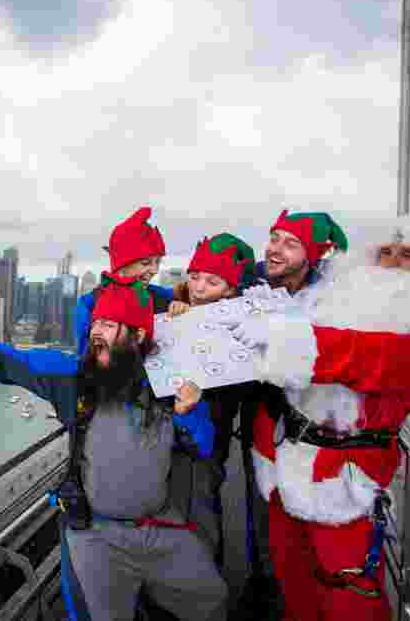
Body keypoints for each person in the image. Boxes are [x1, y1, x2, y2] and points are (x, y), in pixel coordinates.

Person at [231, 207, 410, 621]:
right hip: (282, 459)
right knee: (292, 579)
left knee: (347, 592)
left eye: (409, 254)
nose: (390, 262)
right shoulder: (336, 300)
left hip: (344, 478)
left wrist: (284, 336)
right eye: (385, 250)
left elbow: (374, 359)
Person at [0, 280, 229, 621]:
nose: (97, 331)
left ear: (139, 336)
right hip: (97, 536)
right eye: (96, 322)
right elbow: (12, 362)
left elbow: (203, 446)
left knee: (211, 600)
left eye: (109, 324)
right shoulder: (76, 379)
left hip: (161, 528)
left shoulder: (170, 386)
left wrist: (191, 412)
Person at [233, 209, 348, 616]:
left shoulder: (334, 298)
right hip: (262, 416)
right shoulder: (251, 279)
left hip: (316, 426)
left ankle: (314, 593)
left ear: (312, 255)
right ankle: (266, 587)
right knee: (262, 506)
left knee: (313, 516)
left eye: (289, 242)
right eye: (274, 237)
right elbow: (200, 294)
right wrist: (177, 301)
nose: (274, 248)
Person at [162, 233, 259, 570]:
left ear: (230, 290)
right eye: (194, 276)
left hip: (208, 440)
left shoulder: (242, 328)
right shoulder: (172, 310)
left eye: (212, 281)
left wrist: (195, 329)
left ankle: (207, 588)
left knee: (202, 512)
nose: (199, 287)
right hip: (166, 437)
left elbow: (236, 382)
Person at [75, 207, 182, 358]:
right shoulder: (90, 303)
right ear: (121, 266)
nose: (154, 270)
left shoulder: (161, 295)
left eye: (158, 262)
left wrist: (182, 308)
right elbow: (87, 357)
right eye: (146, 263)